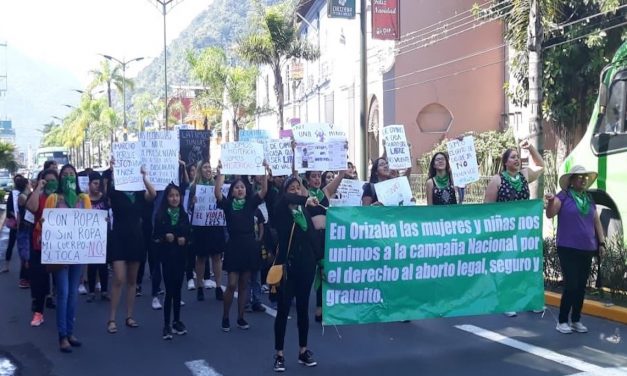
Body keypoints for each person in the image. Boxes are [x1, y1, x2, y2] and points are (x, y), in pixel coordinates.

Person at [484, 140, 544, 317]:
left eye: (518, 157)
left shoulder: (525, 175)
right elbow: (488, 208)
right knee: (506, 266)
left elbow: (541, 165)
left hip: (524, 231)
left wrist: (531, 148)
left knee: (525, 265)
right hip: (504, 231)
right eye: (513, 157)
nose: (516, 159)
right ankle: (506, 302)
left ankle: (530, 301)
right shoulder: (497, 180)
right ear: (505, 162)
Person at [546, 165, 604, 334]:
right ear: (571, 180)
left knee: (580, 286)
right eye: (579, 177)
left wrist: (601, 243)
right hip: (567, 247)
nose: (583, 179)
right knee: (571, 284)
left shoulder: (588, 198)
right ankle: (562, 320)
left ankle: (576, 320)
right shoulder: (563, 196)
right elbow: (550, 214)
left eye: (585, 177)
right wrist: (550, 202)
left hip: (587, 248)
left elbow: (596, 221)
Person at [272, 176, 322, 372]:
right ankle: (279, 354)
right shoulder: (281, 211)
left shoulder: (305, 212)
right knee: (283, 310)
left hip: (306, 266)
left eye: (298, 188)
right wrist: (302, 198)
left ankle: (303, 350)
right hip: (287, 266)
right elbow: (285, 199)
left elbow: (312, 238)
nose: (295, 191)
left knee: (303, 310)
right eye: (291, 188)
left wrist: (320, 261)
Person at [215, 161, 269, 331]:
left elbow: (264, 191)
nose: (240, 189)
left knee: (244, 284)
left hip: (249, 246)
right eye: (237, 187)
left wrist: (264, 173)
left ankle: (240, 318)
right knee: (231, 284)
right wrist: (220, 173)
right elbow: (217, 193)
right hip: (234, 246)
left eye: (242, 187)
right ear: (232, 191)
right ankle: (225, 316)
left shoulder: (250, 203)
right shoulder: (228, 204)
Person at [44, 164, 92, 353]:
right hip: (60, 253)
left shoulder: (83, 199)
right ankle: (62, 336)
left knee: (73, 293)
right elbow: (46, 222)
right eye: (65, 175)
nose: (69, 177)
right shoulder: (54, 198)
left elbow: (90, 224)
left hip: (78, 252)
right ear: (60, 178)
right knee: (63, 293)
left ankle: (70, 332)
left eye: (72, 174)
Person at [106, 162, 156, 334]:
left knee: (133, 280)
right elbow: (107, 194)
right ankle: (112, 318)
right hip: (119, 237)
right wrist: (113, 172)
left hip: (136, 237)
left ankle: (129, 316)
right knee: (119, 278)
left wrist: (144, 177)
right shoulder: (116, 191)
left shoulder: (140, 193)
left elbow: (153, 194)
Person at [304, 170, 345, 323]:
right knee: (308, 271)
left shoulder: (325, 192)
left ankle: (320, 307)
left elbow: (340, 176)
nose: (316, 179)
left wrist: (342, 158)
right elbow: (295, 175)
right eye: (313, 176)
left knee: (324, 271)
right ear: (307, 179)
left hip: (326, 237)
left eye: (317, 176)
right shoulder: (304, 193)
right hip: (310, 238)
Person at [153, 184, 191, 340]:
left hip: (180, 256)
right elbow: (155, 237)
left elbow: (190, 235)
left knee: (178, 289)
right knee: (169, 290)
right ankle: (166, 324)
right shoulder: (161, 216)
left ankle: (177, 320)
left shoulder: (183, 215)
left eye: (177, 195)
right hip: (167, 257)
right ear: (166, 198)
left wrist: (185, 240)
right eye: (171, 196)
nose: (174, 198)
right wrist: (164, 238)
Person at [25, 169, 59, 327]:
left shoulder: (61, 197)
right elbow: (31, 207)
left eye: (54, 180)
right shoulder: (40, 196)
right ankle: (38, 312)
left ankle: (61, 309)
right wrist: (38, 187)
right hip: (39, 244)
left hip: (59, 245)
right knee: (39, 278)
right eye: (48, 180)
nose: (51, 183)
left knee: (59, 280)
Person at [188, 160, 225, 302]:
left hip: (215, 225)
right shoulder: (194, 187)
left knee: (216, 257)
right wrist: (193, 202)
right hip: (200, 227)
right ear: (200, 170)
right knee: (201, 257)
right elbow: (188, 208)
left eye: (209, 167)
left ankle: (218, 287)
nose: (208, 169)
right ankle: (200, 287)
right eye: (205, 167)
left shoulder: (217, 185)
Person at [86, 172, 109, 302]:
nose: (97, 187)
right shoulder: (84, 199)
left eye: (99, 184)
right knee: (92, 266)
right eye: (94, 184)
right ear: (89, 184)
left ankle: (104, 291)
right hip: (89, 236)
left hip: (102, 236)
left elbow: (109, 214)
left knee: (103, 265)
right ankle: (91, 291)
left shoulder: (104, 198)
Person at [1, 175, 24, 273]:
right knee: (12, 244)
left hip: (22, 224)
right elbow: (10, 208)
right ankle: (6, 265)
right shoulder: (14, 194)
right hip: (16, 224)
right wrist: (16, 217)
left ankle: (23, 269)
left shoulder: (24, 194)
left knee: (21, 246)